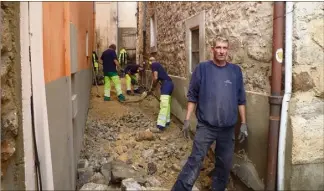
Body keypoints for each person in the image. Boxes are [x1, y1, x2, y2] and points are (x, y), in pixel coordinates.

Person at [171, 36, 248, 191]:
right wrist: (187, 120)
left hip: (227, 129)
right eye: (218, 47)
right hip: (206, 127)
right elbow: (192, 95)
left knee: (224, 164)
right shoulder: (202, 69)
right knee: (195, 160)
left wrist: (244, 123)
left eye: (224, 48)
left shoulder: (235, 71)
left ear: (228, 50)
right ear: (212, 49)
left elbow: (241, 99)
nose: (221, 51)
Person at [149, 57, 174, 131]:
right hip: (170, 84)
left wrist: (153, 87)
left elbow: (155, 77)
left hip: (166, 84)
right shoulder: (158, 65)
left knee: (163, 104)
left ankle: (160, 125)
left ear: (151, 61)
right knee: (167, 104)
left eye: (150, 61)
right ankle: (167, 121)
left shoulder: (154, 64)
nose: (149, 63)